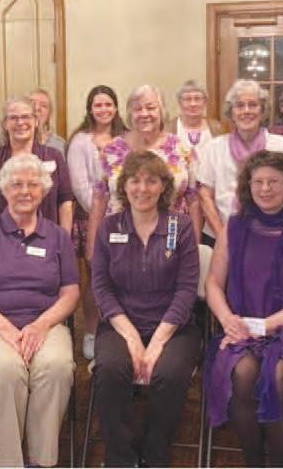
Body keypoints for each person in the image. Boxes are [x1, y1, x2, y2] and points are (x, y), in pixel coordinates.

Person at [0, 154, 79, 468]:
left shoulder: (58, 237)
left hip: (43, 325)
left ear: (44, 191)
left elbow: (71, 293)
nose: (24, 191)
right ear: (4, 190)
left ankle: (41, 461)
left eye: (32, 184)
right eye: (16, 184)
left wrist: (40, 326)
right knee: (4, 368)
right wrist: (7, 331)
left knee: (57, 366)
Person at [204, 151, 283, 467]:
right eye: (257, 181)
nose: (265, 188)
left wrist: (259, 326)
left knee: (280, 374)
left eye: (273, 181)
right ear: (248, 186)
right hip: (237, 330)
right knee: (242, 372)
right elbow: (213, 283)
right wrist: (228, 319)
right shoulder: (233, 228)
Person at [91, 151, 200, 467]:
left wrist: (157, 344)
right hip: (120, 324)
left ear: (164, 186)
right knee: (110, 369)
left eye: (151, 180)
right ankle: (121, 458)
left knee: (169, 374)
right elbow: (101, 287)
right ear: (123, 186)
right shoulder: (109, 227)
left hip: (174, 326)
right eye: (135, 181)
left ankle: (155, 454)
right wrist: (131, 338)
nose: (142, 188)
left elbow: (186, 290)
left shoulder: (180, 227)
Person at [66, 85, 128, 362]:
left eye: (108, 104)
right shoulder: (80, 141)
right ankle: (91, 332)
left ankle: (120, 330)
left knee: (124, 278)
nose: (103, 109)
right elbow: (80, 185)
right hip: (93, 219)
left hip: (127, 219)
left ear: (115, 107)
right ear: (90, 109)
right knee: (95, 279)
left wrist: (122, 210)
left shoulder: (127, 138)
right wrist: (103, 212)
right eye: (98, 105)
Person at [198, 79, 283, 246]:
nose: (246, 111)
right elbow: (205, 195)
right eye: (240, 105)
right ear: (231, 112)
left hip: (272, 236)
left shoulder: (281, 146)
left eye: (253, 105)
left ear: (263, 110)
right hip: (219, 236)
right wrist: (224, 238)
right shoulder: (214, 148)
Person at [0, 97, 73, 232]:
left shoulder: (54, 157)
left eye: (26, 117)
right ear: (5, 124)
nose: (20, 122)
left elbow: (65, 202)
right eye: (13, 118)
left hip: (46, 239)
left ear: (36, 121)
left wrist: (64, 239)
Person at [170, 79, 222, 157]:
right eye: (187, 99)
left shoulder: (217, 129)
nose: (193, 104)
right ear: (179, 102)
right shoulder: (169, 129)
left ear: (205, 102)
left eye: (197, 98)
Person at [30, 88, 67, 155]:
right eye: (32, 103)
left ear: (49, 114)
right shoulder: (15, 141)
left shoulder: (59, 144)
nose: (37, 108)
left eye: (43, 105)